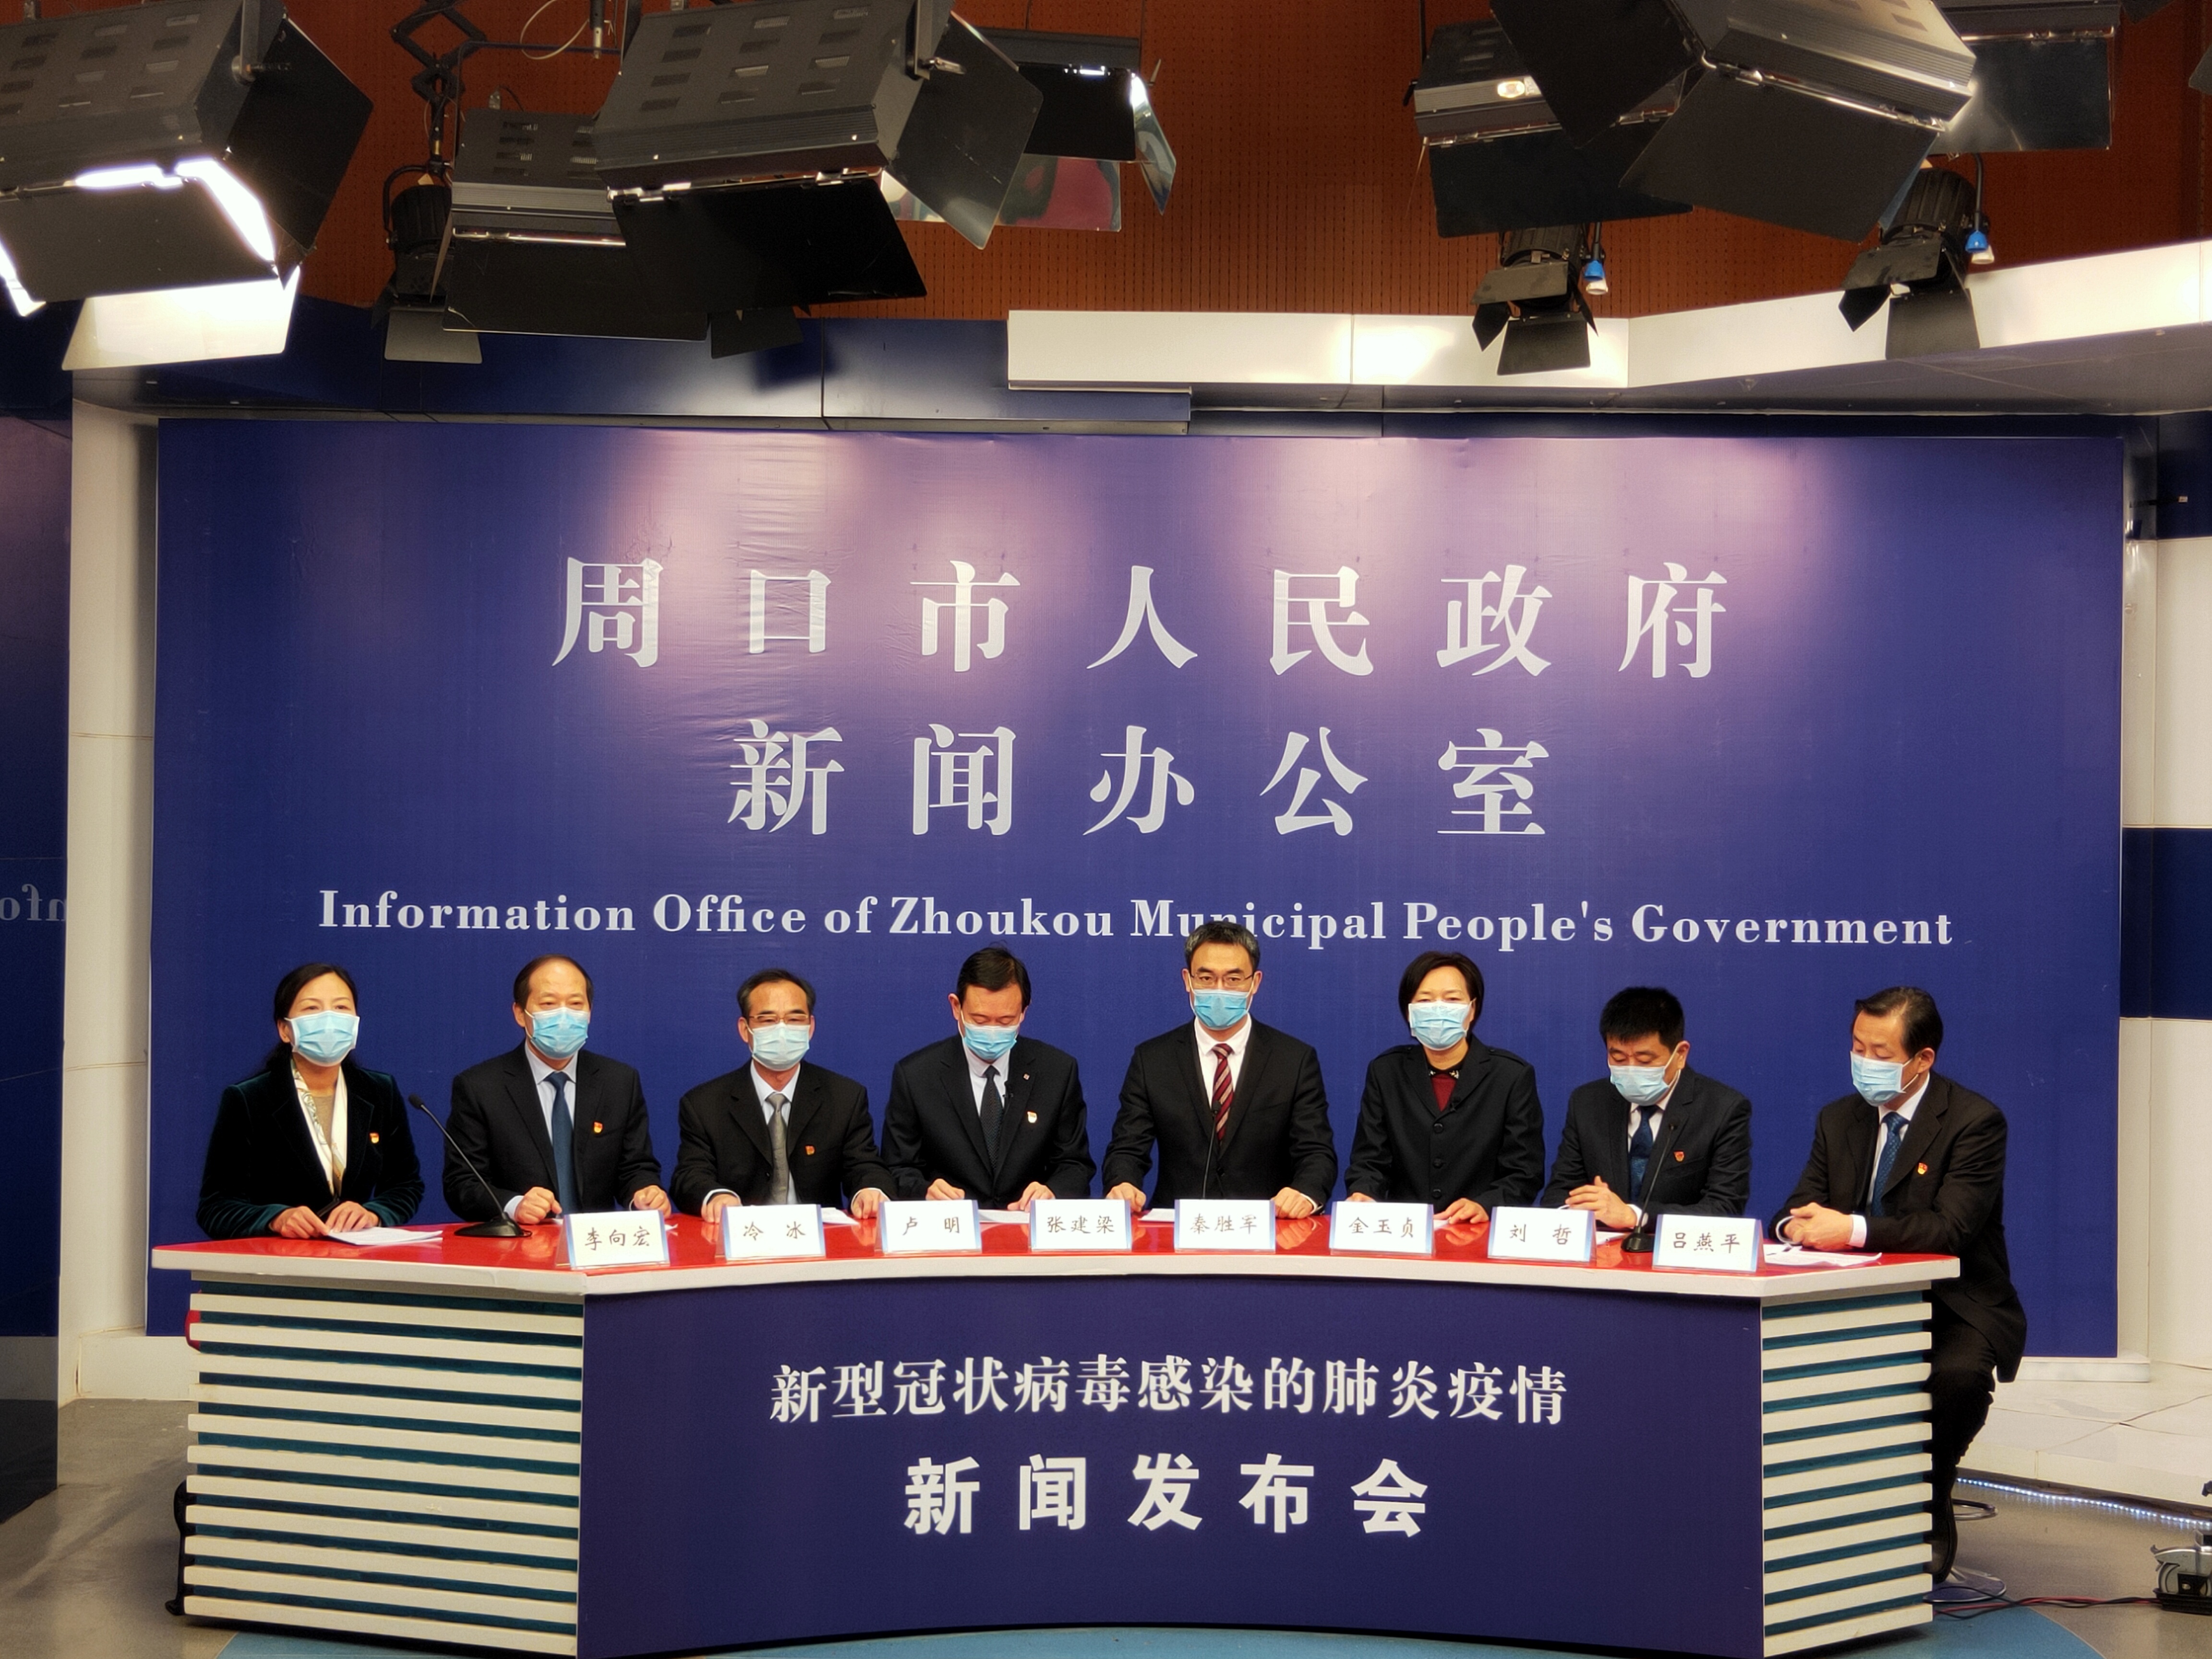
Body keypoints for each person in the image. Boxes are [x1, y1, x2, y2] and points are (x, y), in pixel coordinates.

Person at [1772, 986, 2026, 1583]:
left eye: (1880, 1052)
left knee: (1958, 1378)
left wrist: (1852, 1229)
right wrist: (1794, 1226)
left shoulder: (1974, 1122)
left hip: (1953, 1304)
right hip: (1854, 1302)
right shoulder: (1839, 1118)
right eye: (1857, 1047)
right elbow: (1795, 1208)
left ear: (1922, 1059)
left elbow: (1950, 1229)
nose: (1864, 1061)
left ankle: (1929, 1498)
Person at [1103, 920, 1336, 1216]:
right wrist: (1123, 1183)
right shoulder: (1152, 1060)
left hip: (1269, 1229)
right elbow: (1127, 1148)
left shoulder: (1294, 1060)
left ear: (1255, 982)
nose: (1219, 990)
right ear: (1188, 980)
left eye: (1233, 979)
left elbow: (1316, 1152)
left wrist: (1304, 1193)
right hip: (1177, 1230)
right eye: (1206, 978)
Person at [197, 962, 422, 1238]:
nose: (329, 1020)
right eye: (312, 1008)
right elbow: (215, 1207)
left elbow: (406, 1185)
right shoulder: (249, 1099)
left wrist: (374, 1213)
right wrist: (276, 1218)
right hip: (277, 1258)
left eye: (341, 1007)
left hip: (356, 1256)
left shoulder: (379, 1091)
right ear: (284, 1029)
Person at [445, 955, 669, 1225]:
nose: (564, 1016)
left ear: (589, 1012)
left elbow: (635, 1167)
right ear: (520, 1014)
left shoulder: (619, 1081)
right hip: (521, 1242)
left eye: (575, 1004)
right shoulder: (480, 1087)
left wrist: (643, 1193)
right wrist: (514, 1205)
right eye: (549, 1004)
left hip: (595, 1241)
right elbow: (462, 1183)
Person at [673, 967, 893, 1233]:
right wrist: (716, 1196)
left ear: (810, 1028)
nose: (782, 1030)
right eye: (768, 1020)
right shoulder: (704, 1104)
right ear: (745, 1030)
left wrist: (869, 1190)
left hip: (819, 1240)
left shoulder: (845, 1096)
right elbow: (690, 1176)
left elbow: (865, 1165)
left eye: (794, 1019)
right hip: (742, 1238)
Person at [881, 946, 1095, 1211]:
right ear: (956, 1007)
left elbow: (1075, 1164)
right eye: (980, 1020)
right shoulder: (916, 1075)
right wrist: (925, 1191)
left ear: (1023, 1012)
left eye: (1005, 1021)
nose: (992, 1032)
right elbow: (898, 1168)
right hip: (950, 1227)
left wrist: (1052, 1192)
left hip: (1027, 1225)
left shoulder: (1057, 1071)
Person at [1344, 950, 1542, 1221]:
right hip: (1405, 1231)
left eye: (1452, 999)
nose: (1438, 1009)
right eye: (1425, 1000)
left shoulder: (1511, 1076)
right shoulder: (1386, 1072)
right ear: (1410, 1012)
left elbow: (1524, 1172)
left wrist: (1485, 1205)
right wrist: (1364, 1192)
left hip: (1478, 1230)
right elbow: (1370, 1160)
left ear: (1472, 1010)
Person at [1542, 986, 1752, 1227]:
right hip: (1602, 1246)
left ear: (1680, 1054)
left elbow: (1725, 1208)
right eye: (1619, 1058)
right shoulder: (1588, 1103)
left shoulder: (1722, 1109)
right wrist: (1579, 1208)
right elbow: (1559, 1195)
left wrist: (1635, 1216)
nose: (1631, 1069)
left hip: (1674, 1248)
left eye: (1645, 1060)